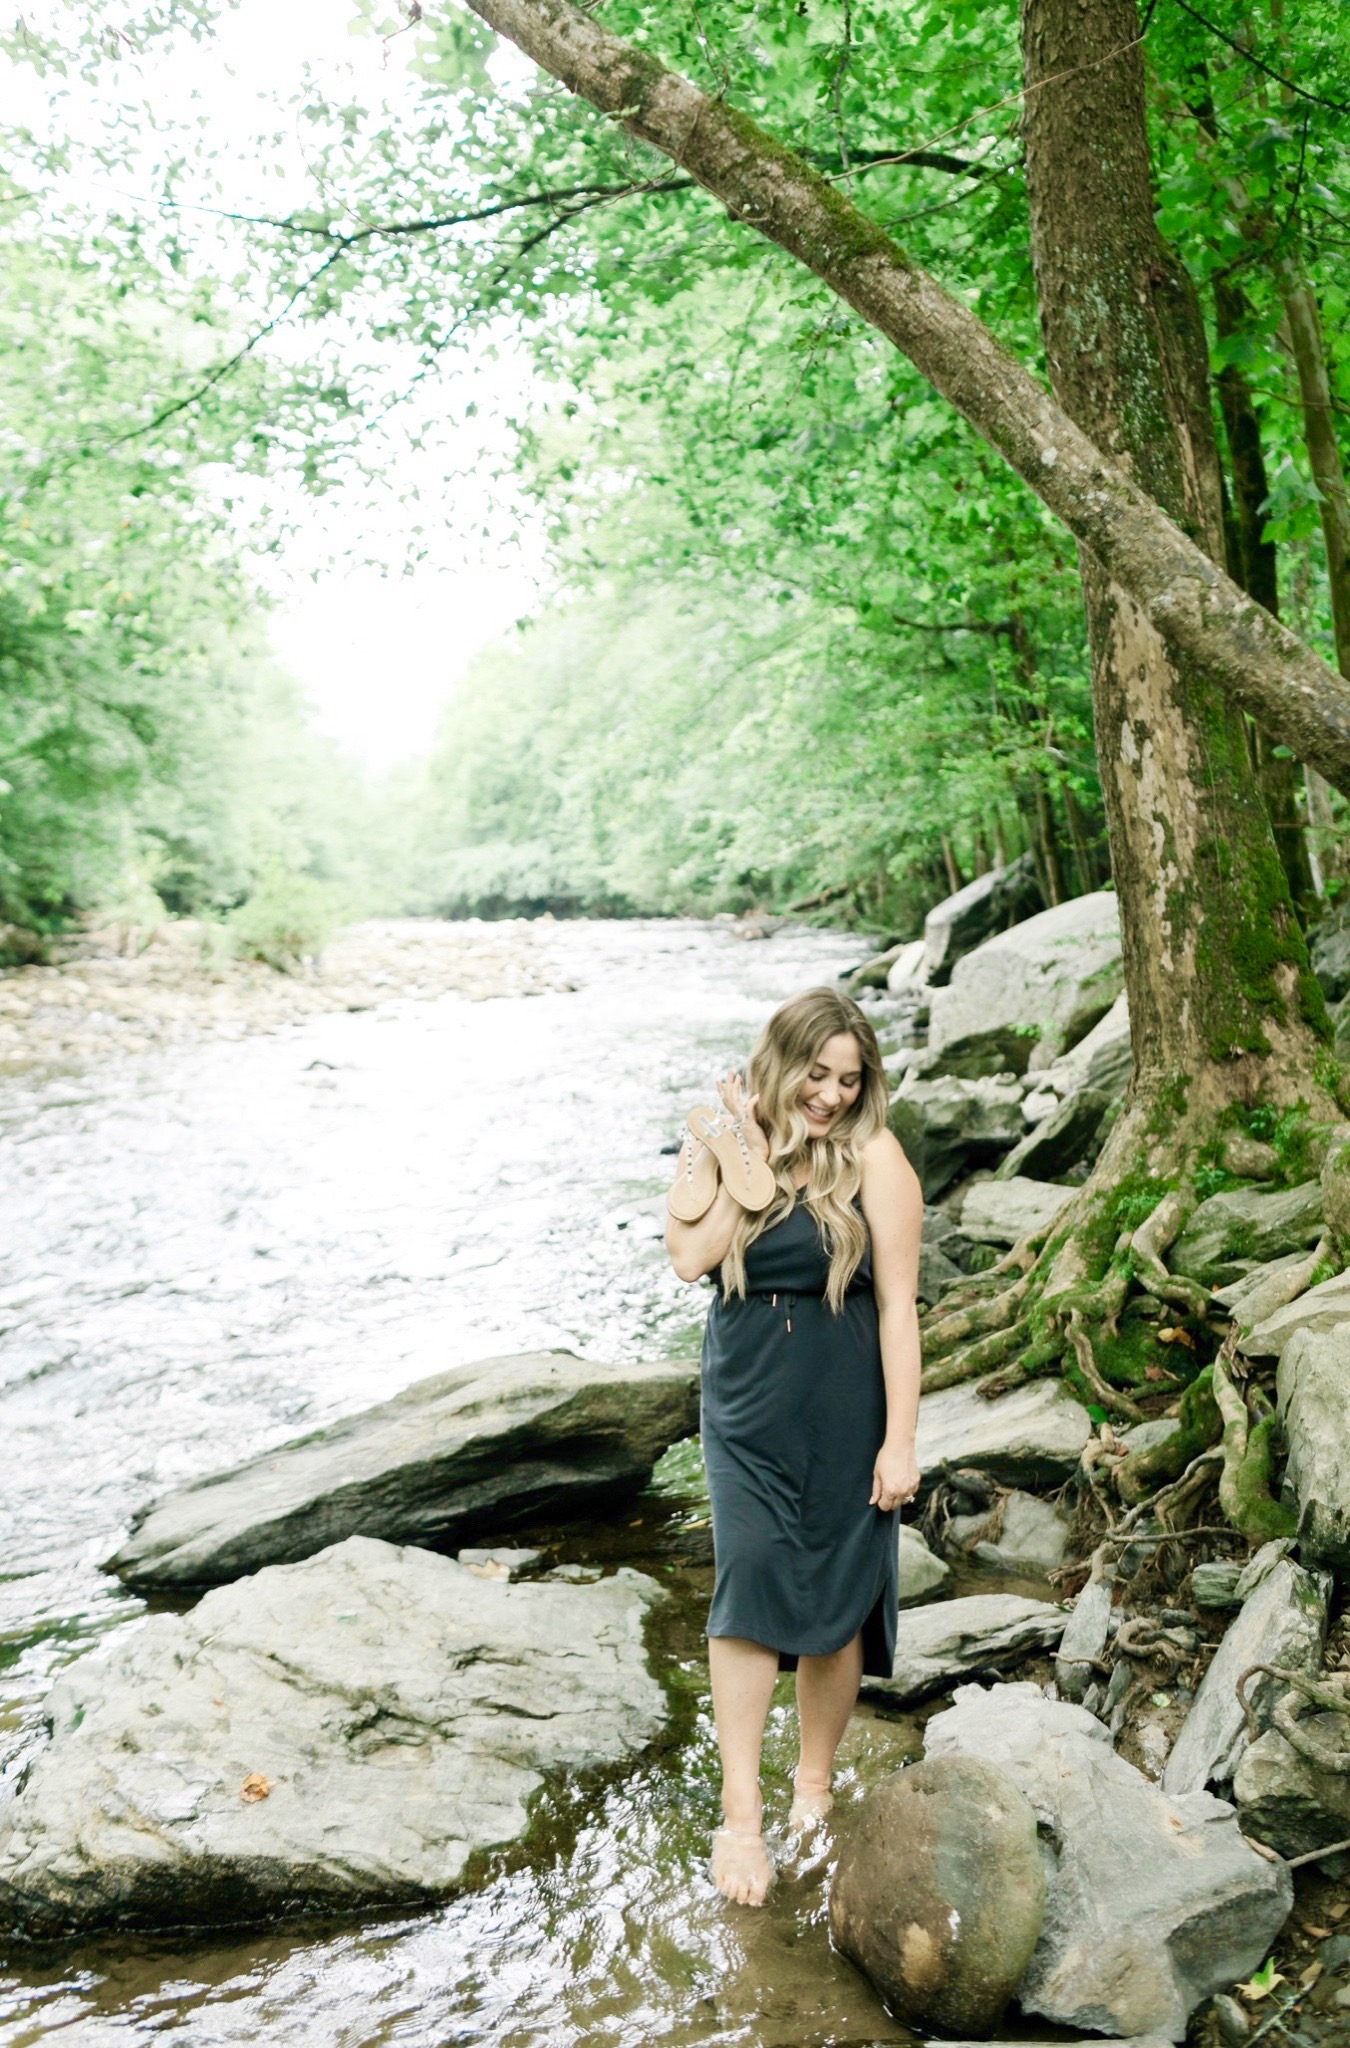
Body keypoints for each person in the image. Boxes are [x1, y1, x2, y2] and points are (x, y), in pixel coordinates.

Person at [664, 985, 923, 1908]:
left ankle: (812, 1785)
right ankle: (742, 1815)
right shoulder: (719, 1136)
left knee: (840, 1597)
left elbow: (898, 1307)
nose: (831, 1096)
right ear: (781, 1062)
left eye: (850, 1080)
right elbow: (691, 1259)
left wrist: (901, 1439)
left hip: (846, 1401)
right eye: (816, 1074)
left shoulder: (877, 1158)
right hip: (746, 1402)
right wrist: (749, 1153)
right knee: (752, 1579)